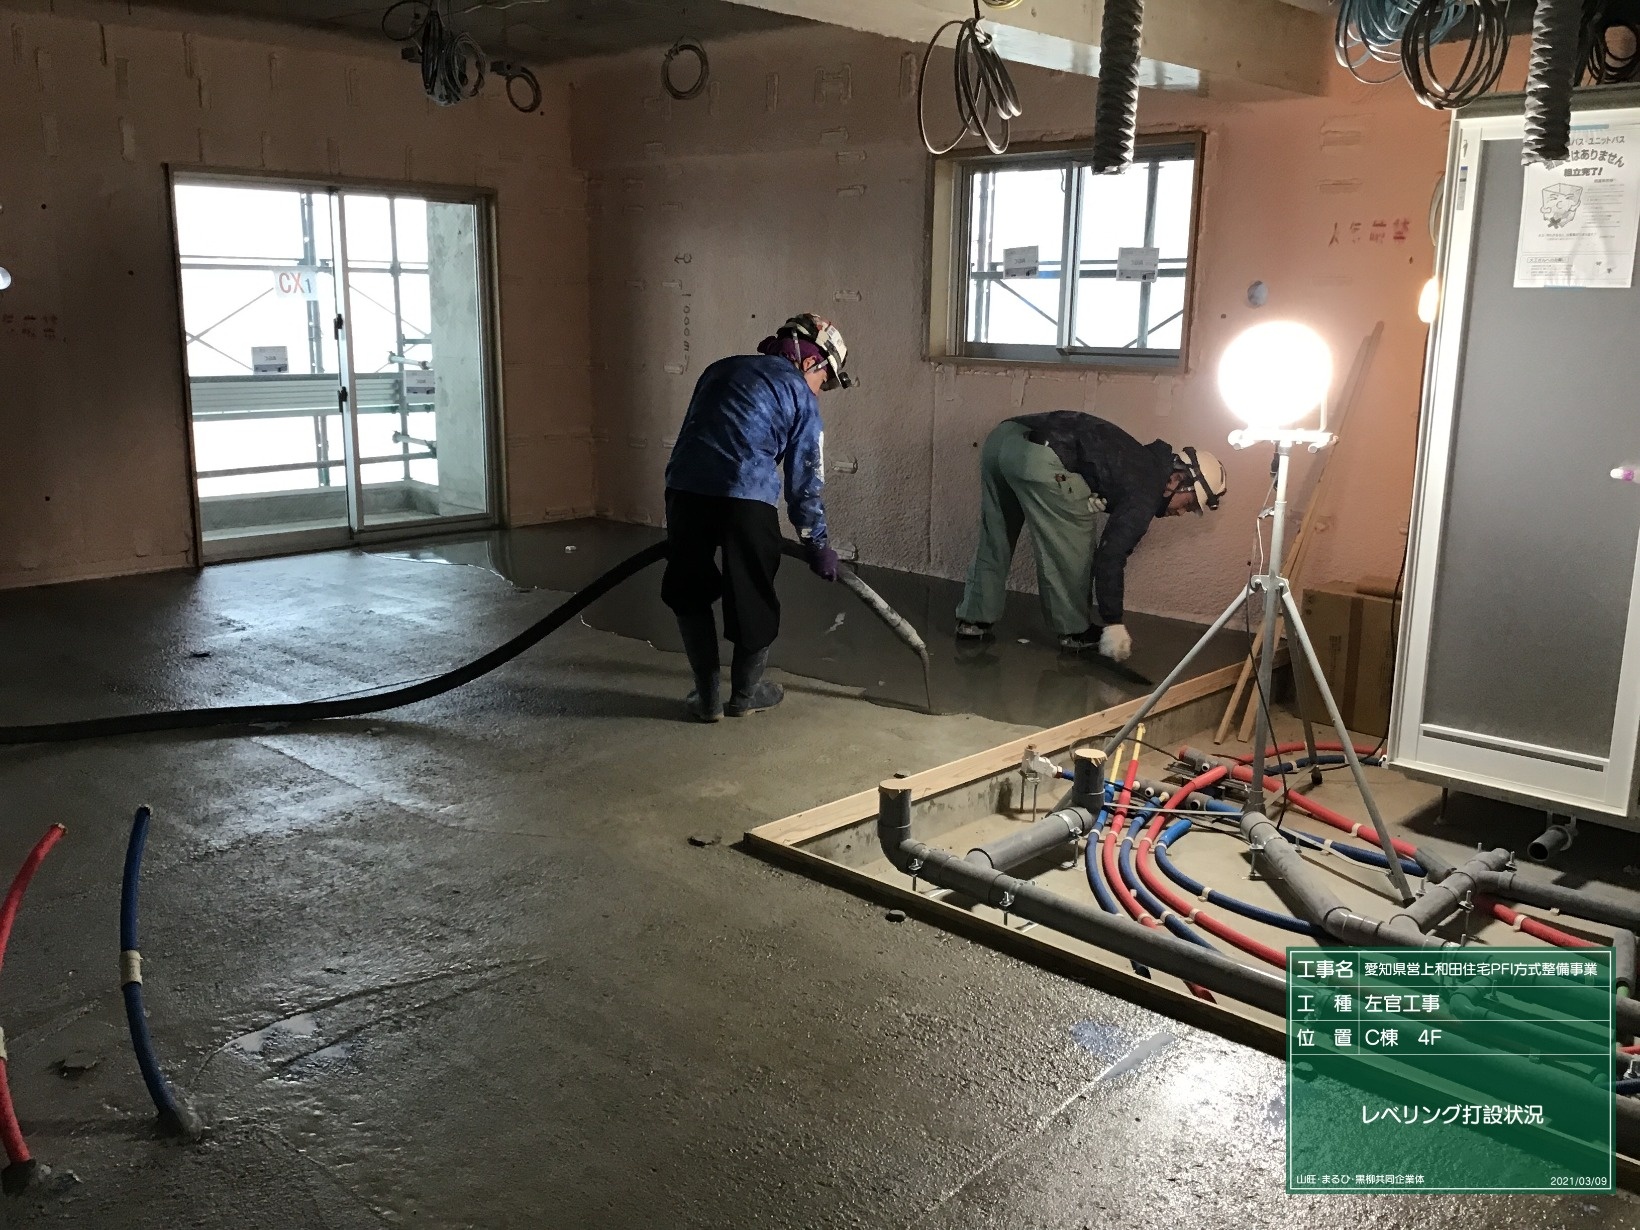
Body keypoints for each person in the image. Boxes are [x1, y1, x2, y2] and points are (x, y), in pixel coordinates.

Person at [661, 314, 851, 722]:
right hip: (746, 500)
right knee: (752, 598)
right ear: (810, 361)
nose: (821, 389)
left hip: (685, 492)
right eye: (825, 380)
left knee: (688, 589)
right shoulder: (801, 396)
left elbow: (694, 432)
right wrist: (816, 544)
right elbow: (805, 483)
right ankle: (745, 695)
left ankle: (707, 699)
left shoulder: (719, 369)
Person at [954, 411, 1227, 662]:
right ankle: (1074, 631)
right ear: (1177, 479)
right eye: (1189, 503)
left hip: (1003, 438)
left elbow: (1101, 468)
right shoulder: (1146, 491)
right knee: (1075, 539)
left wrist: (1099, 495)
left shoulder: (1140, 460)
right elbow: (1110, 556)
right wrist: (1113, 623)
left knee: (996, 534)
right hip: (1038, 455)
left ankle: (973, 618)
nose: (1182, 512)